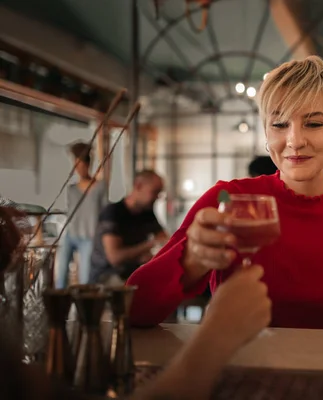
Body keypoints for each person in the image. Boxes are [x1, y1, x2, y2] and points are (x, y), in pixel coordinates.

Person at [127, 56, 323, 330]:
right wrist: (192, 261)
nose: (295, 141)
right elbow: (132, 308)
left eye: (313, 124)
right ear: (266, 130)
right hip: (239, 368)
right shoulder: (228, 199)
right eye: (279, 125)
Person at [0, 205, 271, 400]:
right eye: (280, 123)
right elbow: (122, 270)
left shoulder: (146, 212)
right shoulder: (113, 214)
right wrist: (216, 335)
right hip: (106, 279)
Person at [90, 170, 168, 286]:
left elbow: (165, 240)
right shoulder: (112, 213)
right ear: (138, 186)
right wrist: (149, 245)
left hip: (131, 272)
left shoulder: (147, 213)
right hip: (107, 276)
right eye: (154, 192)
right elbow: (114, 257)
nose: (157, 197)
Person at [55, 142, 109, 288]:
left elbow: (105, 213)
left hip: (89, 237)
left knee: (86, 278)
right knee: (60, 274)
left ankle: (84, 307)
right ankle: (60, 304)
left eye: (81, 165)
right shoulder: (71, 189)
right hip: (71, 234)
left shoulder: (100, 187)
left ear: (87, 165)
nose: (78, 169)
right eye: (76, 166)